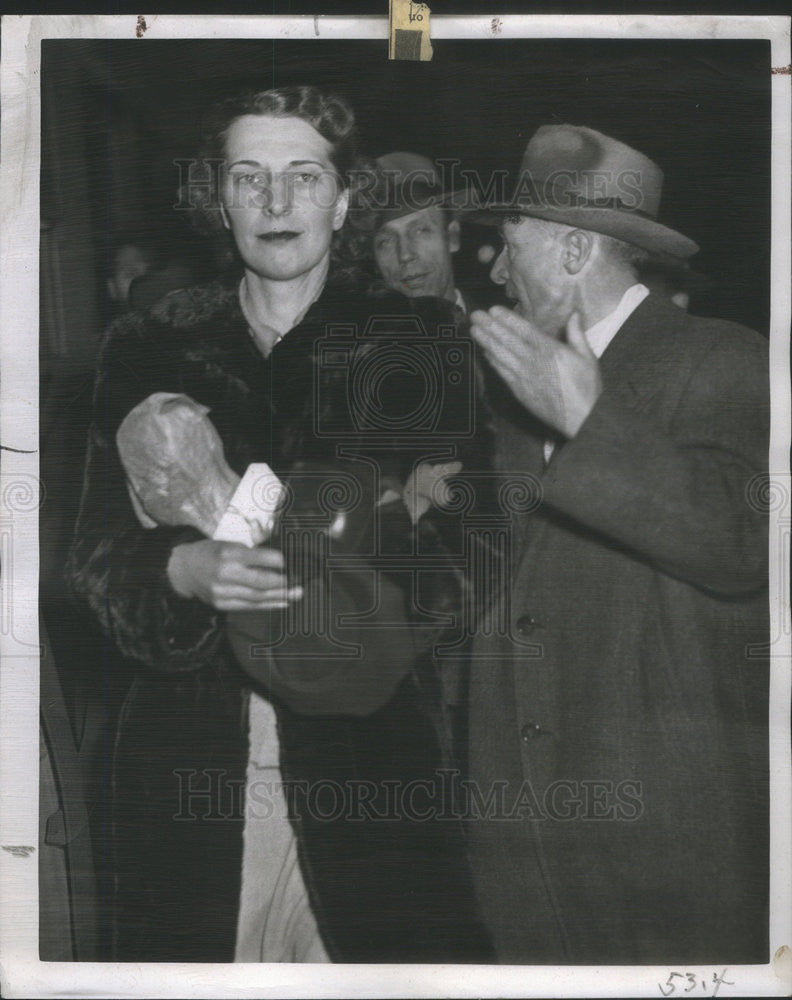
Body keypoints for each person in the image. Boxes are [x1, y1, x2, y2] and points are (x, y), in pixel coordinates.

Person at [67, 85, 490, 963]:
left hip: (369, 767)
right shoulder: (148, 346)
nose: (274, 202)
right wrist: (182, 575)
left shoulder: (415, 345)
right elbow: (98, 556)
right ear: (217, 199)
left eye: (303, 176)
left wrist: (233, 514)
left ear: (343, 200)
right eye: (247, 176)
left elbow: (455, 563)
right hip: (187, 764)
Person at [464, 124, 769, 964]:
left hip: (672, 863)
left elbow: (744, 542)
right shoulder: (517, 404)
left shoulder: (726, 361)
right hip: (536, 864)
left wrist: (589, 423)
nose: (493, 268)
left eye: (508, 242)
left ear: (570, 249)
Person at [370, 151, 471, 312]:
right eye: (385, 241)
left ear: (452, 237)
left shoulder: (507, 331)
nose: (405, 255)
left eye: (420, 231)